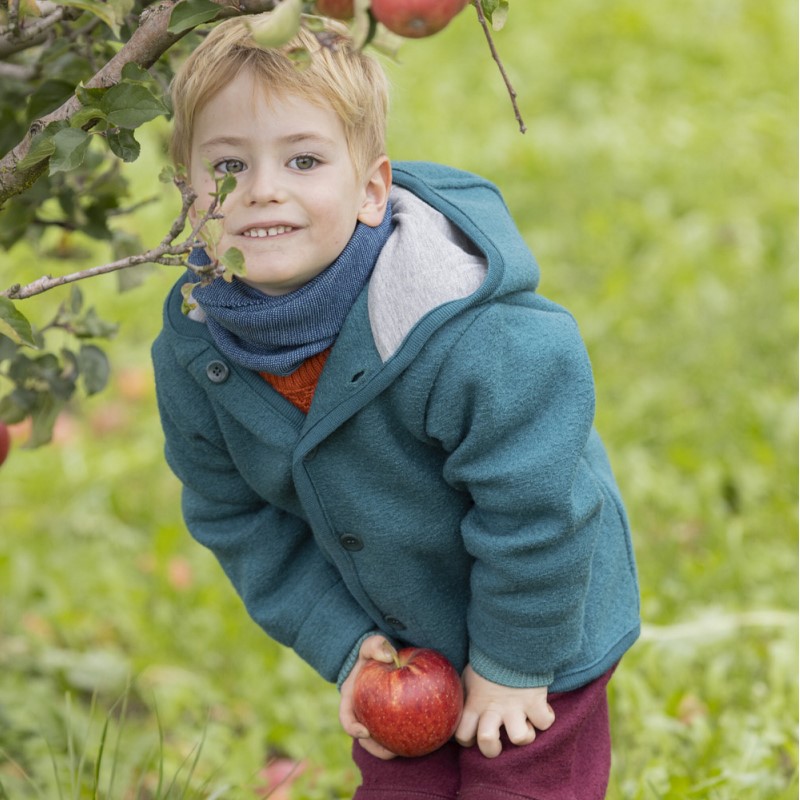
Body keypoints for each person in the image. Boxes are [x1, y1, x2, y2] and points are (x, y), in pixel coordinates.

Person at [152, 13, 640, 800]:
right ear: (187, 192)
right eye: (228, 166)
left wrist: (516, 665)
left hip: (542, 614)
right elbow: (235, 518)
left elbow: (539, 513)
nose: (263, 189)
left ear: (373, 188)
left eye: (303, 159)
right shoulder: (197, 355)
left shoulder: (473, 337)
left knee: (519, 784)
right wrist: (348, 646)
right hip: (402, 646)